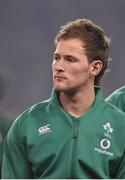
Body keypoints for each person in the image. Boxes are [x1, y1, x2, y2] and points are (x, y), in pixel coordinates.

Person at [2, 18, 125, 179]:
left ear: (95, 68)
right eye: (56, 57)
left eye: (70, 59)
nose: (58, 66)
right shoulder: (26, 125)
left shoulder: (120, 126)